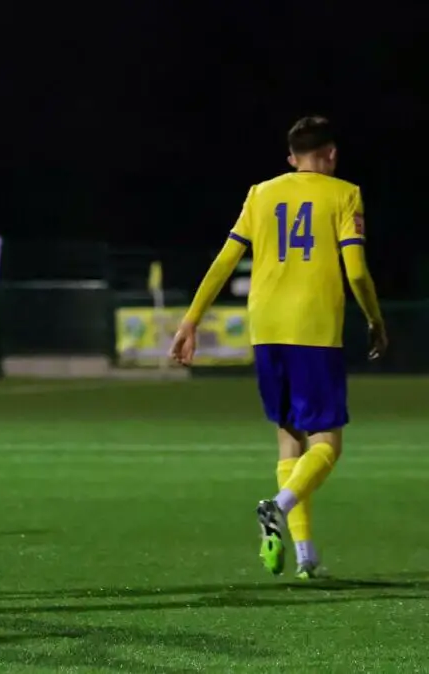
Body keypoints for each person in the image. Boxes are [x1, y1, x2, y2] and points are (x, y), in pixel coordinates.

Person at [170, 116, 386, 579]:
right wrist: (374, 318)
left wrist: (191, 321)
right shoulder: (345, 193)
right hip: (314, 329)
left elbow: (226, 260)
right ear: (330, 154)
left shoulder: (259, 193)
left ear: (292, 157)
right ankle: (278, 506)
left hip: (265, 328)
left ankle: (306, 556)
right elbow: (358, 272)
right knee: (328, 444)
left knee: (290, 439)